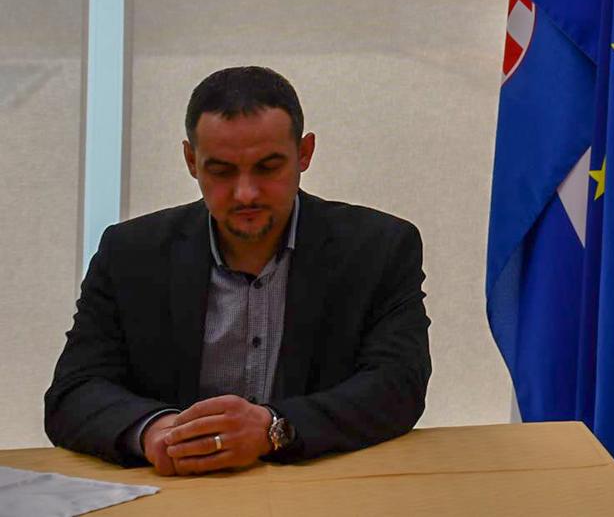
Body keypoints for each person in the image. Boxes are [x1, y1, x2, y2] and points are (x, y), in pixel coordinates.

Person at [45, 66, 430, 473]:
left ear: (305, 153)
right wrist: (155, 432)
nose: (246, 193)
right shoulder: (130, 254)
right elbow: (74, 391)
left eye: (268, 167)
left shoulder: (379, 249)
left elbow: (398, 386)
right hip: (173, 488)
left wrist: (274, 428)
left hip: (319, 487)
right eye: (221, 171)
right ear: (191, 161)